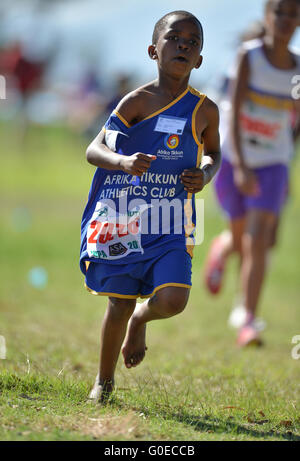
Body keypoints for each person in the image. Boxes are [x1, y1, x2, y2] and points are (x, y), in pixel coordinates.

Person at [80, 10, 221, 402]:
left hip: (173, 219)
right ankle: (104, 382)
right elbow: (95, 149)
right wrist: (123, 162)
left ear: (200, 59)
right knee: (120, 302)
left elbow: (213, 154)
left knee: (174, 299)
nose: (184, 45)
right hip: (127, 217)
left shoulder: (206, 110)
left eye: (193, 42)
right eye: (175, 38)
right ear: (153, 50)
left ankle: (143, 319)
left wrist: (205, 175)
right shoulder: (136, 102)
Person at [204, 0, 300, 346]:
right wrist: (242, 166)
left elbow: (296, 118)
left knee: (259, 240)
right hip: (235, 157)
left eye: (293, 13)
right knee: (242, 235)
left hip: (274, 162)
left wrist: (285, 159)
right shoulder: (249, 57)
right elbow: (232, 112)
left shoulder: (298, 69)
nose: (287, 20)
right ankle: (222, 246)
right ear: (267, 16)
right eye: (280, 12)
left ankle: (247, 319)